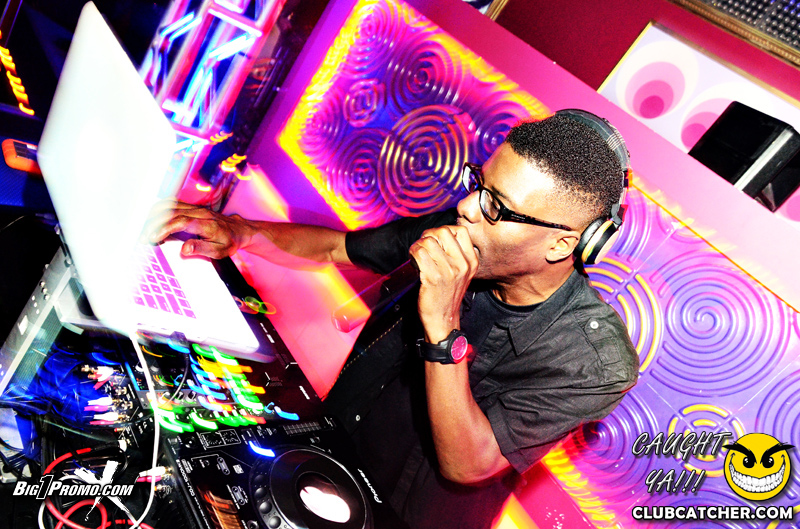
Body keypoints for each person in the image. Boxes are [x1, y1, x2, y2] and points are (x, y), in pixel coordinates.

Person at [152, 110, 639, 528]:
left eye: (496, 207)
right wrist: (238, 231)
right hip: (320, 456)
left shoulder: (593, 362)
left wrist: (443, 324)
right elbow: (335, 248)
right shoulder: (457, 228)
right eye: (479, 185)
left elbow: (468, 464)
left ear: (562, 243)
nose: (467, 207)